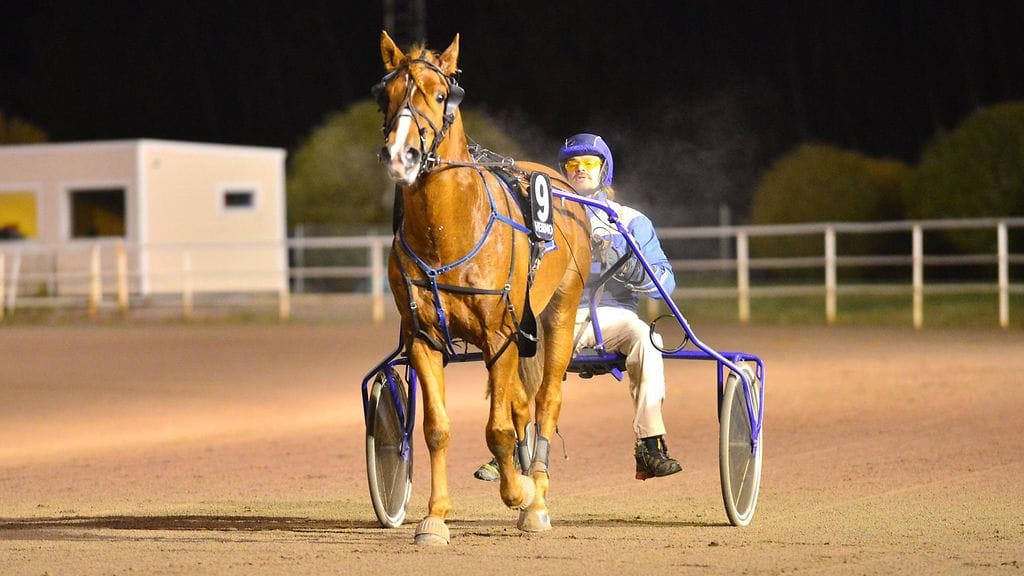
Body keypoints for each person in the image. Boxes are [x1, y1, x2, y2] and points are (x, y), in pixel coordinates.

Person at [475, 133, 681, 482]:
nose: (580, 171)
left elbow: (666, 283)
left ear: (605, 170)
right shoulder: (541, 215)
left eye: (589, 164)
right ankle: (512, 443)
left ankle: (650, 444)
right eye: (572, 165)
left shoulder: (629, 219)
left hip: (610, 318)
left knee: (646, 339)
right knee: (515, 340)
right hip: (549, 318)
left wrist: (627, 262)